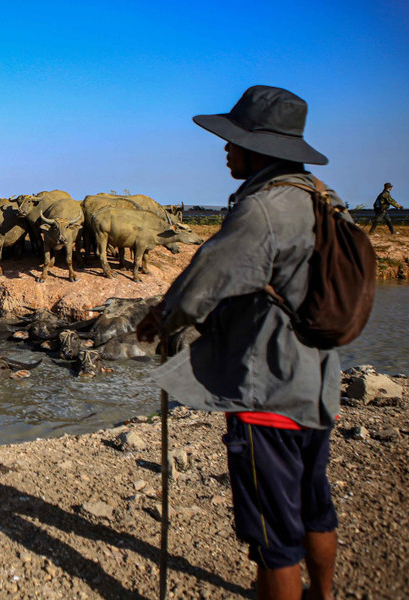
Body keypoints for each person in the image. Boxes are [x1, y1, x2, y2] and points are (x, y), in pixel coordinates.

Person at [137, 86, 341, 600]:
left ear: (262, 149)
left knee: (274, 539)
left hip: (267, 393)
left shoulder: (262, 210)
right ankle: (323, 594)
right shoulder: (324, 198)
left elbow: (199, 285)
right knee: (313, 504)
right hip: (318, 384)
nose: (226, 148)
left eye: (235, 140)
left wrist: (160, 321)